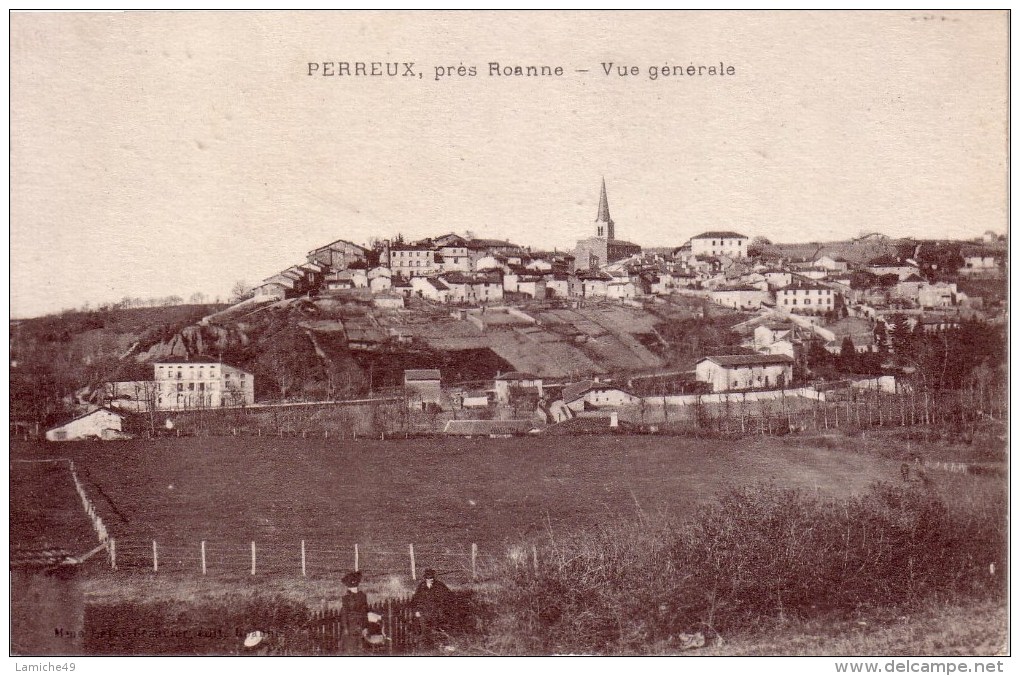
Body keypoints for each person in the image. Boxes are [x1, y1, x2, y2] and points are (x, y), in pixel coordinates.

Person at [410, 568, 452, 647]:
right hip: (424, 613)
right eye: (428, 578)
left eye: (432, 577)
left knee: (437, 630)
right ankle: (426, 648)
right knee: (424, 631)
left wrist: (442, 608)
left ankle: (438, 646)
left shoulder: (440, 585)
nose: (430, 579)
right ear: (425, 578)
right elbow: (415, 600)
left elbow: (449, 597)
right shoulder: (421, 586)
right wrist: (417, 611)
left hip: (436, 613)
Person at [339, 571, 369, 654]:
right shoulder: (362, 596)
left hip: (352, 627)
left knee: (353, 650)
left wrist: (345, 629)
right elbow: (365, 613)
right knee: (358, 649)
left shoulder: (347, 598)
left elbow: (344, 614)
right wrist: (365, 627)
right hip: (357, 626)